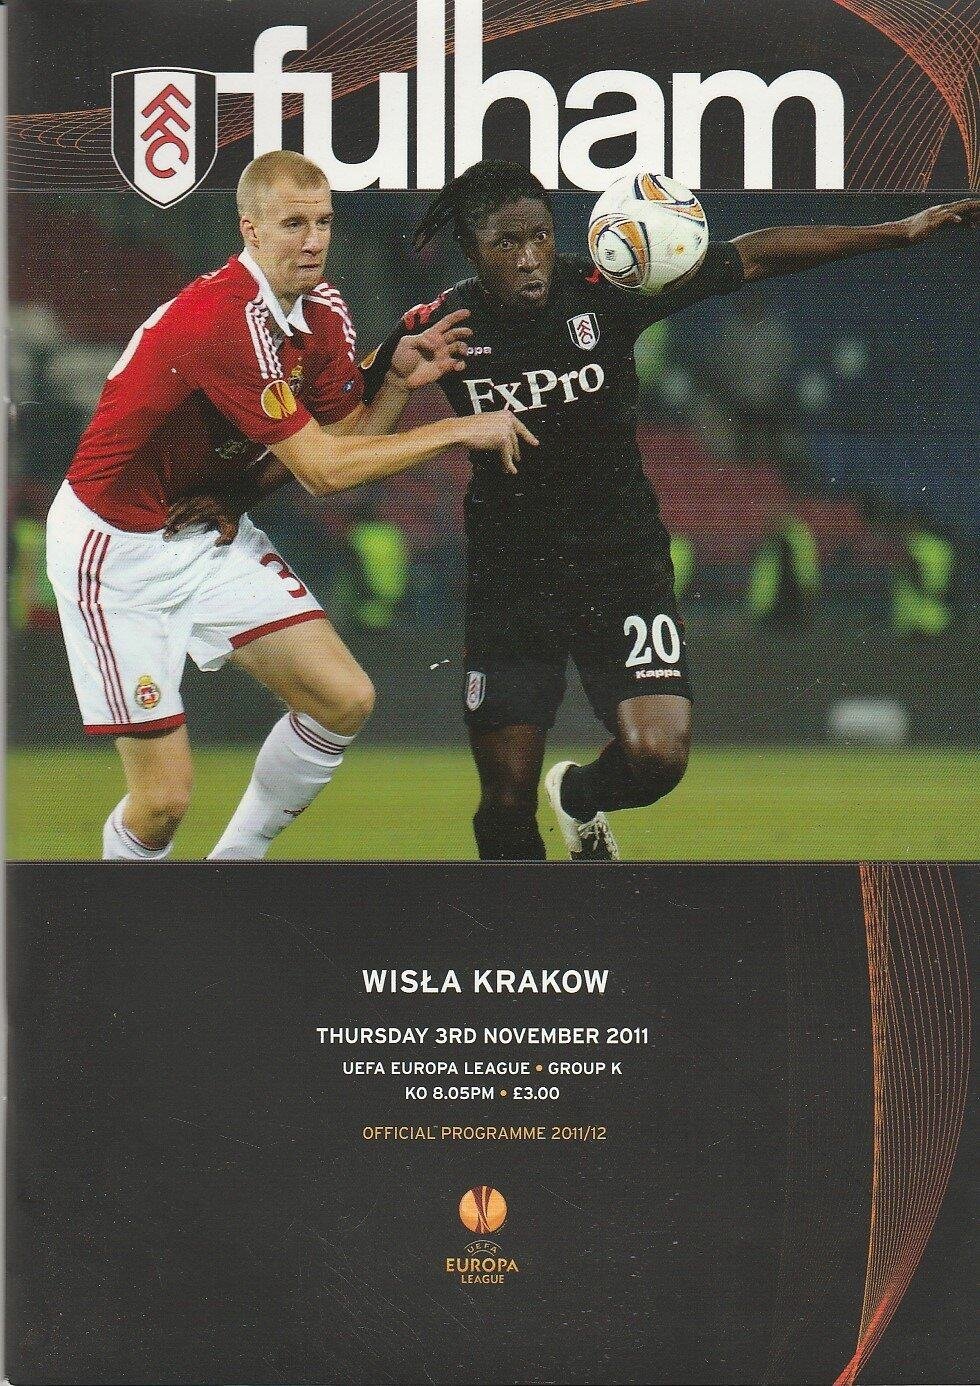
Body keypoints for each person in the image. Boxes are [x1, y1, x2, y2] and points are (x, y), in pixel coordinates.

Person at [172, 160, 979, 861]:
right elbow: (341, 429)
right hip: (512, 581)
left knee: (659, 757)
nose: (530, 257)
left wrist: (897, 232)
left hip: (622, 562)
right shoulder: (438, 327)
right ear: (471, 251)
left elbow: (752, 254)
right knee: (504, 801)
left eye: (539, 235)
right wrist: (237, 495)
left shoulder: (608, 289)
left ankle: (582, 798)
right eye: (507, 243)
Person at [46, 150, 537, 861]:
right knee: (161, 803)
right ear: (250, 229)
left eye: (324, 222)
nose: (313, 240)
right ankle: (119, 914)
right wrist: (456, 429)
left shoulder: (324, 311)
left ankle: (234, 867)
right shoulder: (223, 318)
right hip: (116, 549)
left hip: (205, 529)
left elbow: (343, 444)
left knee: (343, 698)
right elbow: (324, 472)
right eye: (293, 224)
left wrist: (396, 384)